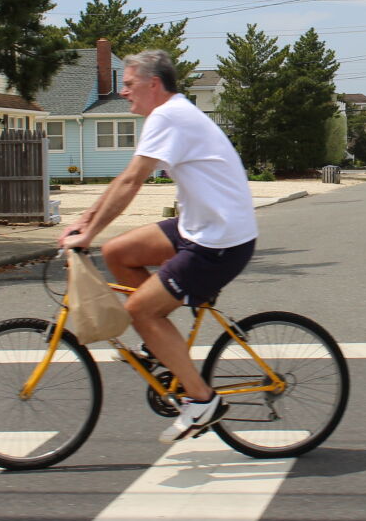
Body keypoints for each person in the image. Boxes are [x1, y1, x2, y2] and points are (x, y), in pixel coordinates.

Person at [57, 49, 258, 443]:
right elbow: (125, 177)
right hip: (198, 227)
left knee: (139, 311)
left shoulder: (168, 116)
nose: (123, 91)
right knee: (117, 254)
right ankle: (159, 346)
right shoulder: (167, 114)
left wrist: (88, 235)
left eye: (129, 84)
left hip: (220, 241)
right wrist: (85, 221)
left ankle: (202, 401)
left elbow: (133, 183)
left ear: (153, 85)